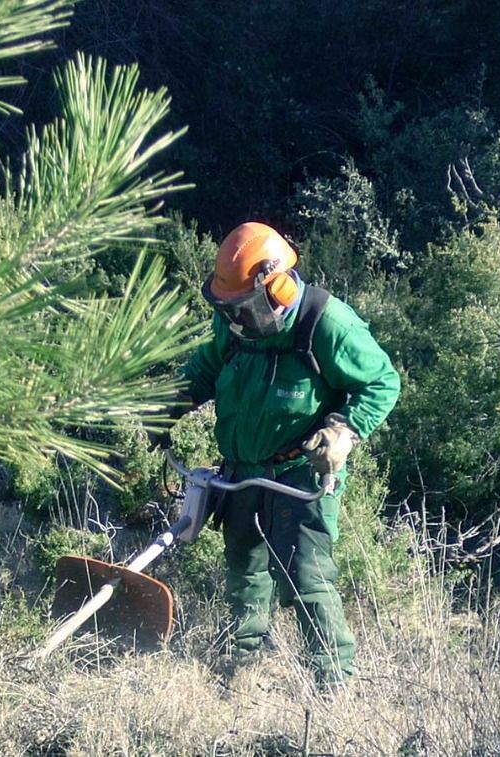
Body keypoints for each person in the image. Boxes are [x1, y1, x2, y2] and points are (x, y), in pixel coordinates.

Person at [155, 221, 400, 692]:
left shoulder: (328, 324)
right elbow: (209, 364)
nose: (234, 320)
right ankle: (244, 663)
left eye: (242, 307)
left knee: (306, 577)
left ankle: (333, 683)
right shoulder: (236, 326)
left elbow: (382, 381)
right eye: (226, 308)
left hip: (299, 475)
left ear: (276, 287)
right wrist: (169, 405)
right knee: (245, 567)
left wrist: (345, 430)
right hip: (242, 471)